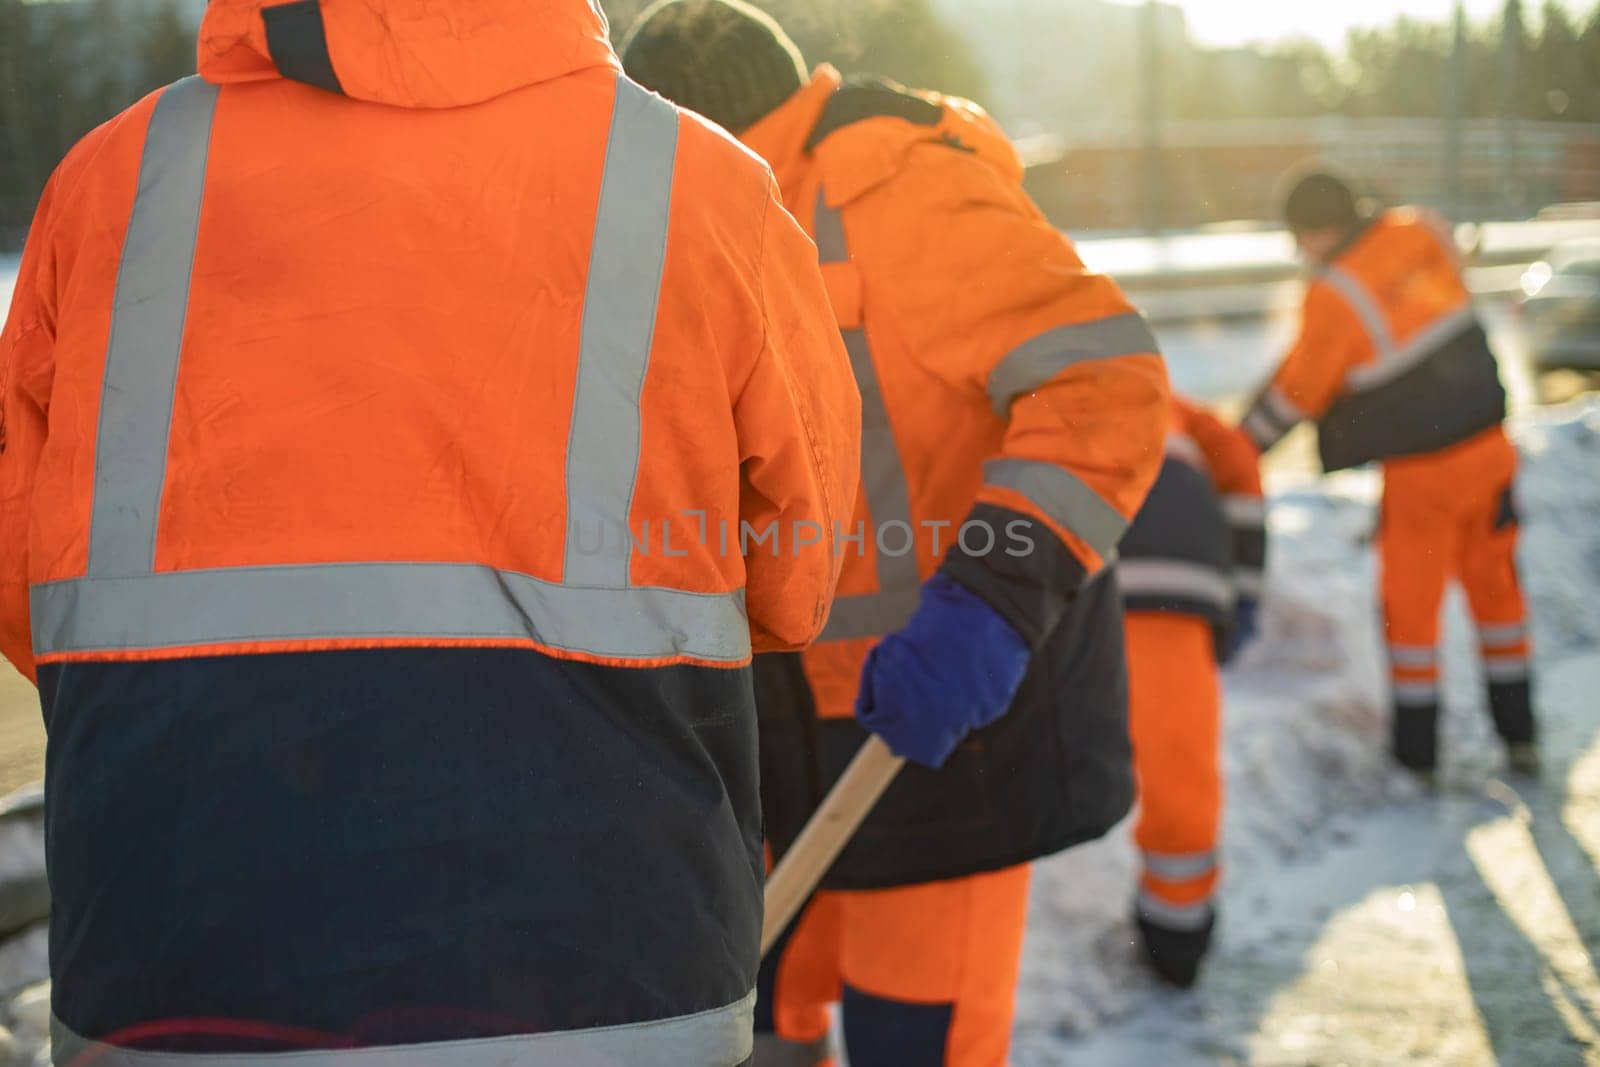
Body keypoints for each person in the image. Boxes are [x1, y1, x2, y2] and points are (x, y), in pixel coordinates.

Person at [0, 0, 861, 1062]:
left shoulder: (113, 180)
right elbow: (796, 574)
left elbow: (31, 574)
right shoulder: (697, 180)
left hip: (176, 964)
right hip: (611, 964)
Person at [622, 3, 1171, 1063]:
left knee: (911, 1034)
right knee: (766, 1023)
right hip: (776, 730)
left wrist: (995, 596)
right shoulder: (688, 224)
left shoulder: (894, 184)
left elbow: (1102, 380)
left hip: (938, 718)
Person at [1240, 167, 1536, 778]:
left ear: (1320, 232)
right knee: (1498, 593)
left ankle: (1417, 754)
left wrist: (1235, 450)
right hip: (1490, 448)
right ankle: (1521, 736)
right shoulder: (1420, 228)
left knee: (1411, 613)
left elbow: (1297, 394)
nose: (1300, 253)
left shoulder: (1335, 294)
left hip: (1423, 471)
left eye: (1301, 239)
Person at [1118, 395, 1265, 988]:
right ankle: (1177, 939)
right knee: (1178, 761)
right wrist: (1246, 589)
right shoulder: (1162, 396)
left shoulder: (1013, 379)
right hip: (1182, 575)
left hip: (1075, 561)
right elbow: (1239, 458)